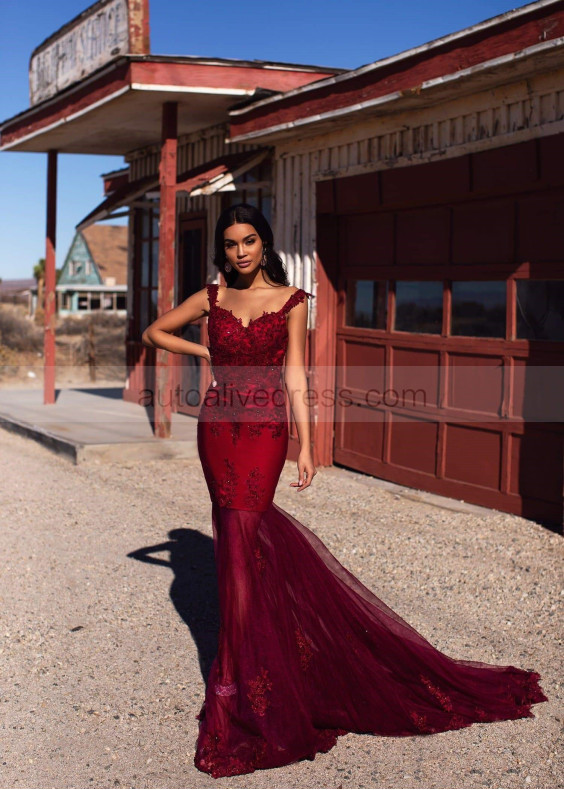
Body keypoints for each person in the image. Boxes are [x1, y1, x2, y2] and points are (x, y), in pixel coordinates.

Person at [142, 203, 548, 779]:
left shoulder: (292, 301)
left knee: (243, 536)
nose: (240, 252)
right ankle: (247, 666)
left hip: (264, 429)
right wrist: (205, 351)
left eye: (249, 241)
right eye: (230, 244)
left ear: (264, 244)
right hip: (217, 427)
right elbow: (154, 331)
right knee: (233, 540)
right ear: (222, 251)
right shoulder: (212, 298)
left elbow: (296, 375)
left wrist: (307, 445)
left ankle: (240, 677)